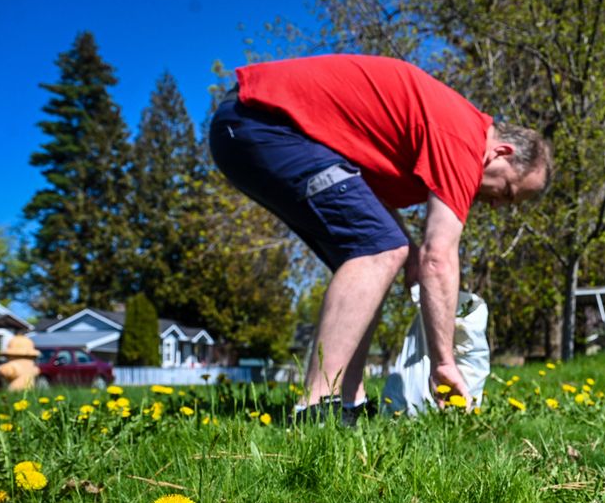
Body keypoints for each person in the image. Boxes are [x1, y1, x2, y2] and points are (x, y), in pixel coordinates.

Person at [208, 54, 551, 421]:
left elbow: (375, 206)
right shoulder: (463, 140)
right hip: (263, 122)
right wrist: (444, 362)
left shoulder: (450, 132)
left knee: (377, 255)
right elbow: (439, 258)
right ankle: (315, 407)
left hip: (250, 128)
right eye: (509, 192)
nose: (498, 205)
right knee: (380, 248)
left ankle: (347, 403)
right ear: (501, 152)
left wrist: (409, 251)